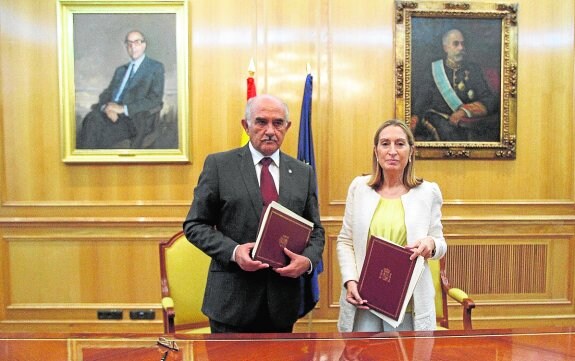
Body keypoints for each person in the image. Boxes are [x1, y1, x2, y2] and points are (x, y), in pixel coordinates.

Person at [183, 94, 325, 333]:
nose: (270, 130)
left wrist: (308, 261)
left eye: (278, 123)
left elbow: (316, 230)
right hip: (231, 304)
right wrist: (234, 251)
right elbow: (195, 225)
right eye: (261, 122)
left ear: (287, 127)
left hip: (282, 305)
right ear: (246, 126)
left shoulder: (303, 173)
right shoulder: (220, 166)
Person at [337, 119, 447, 332]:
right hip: (365, 300)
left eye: (400, 144)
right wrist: (350, 281)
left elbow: (440, 244)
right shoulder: (359, 188)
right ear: (376, 151)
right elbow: (345, 241)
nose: (392, 151)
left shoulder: (428, 192)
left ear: (411, 151)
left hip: (407, 304)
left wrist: (430, 244)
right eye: (385, 143)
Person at [77, 30, 165, 149]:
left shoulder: (155, 67)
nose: (132, 47)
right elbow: (106, 94)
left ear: (144, 45)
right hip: (110, 115)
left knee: (99, 134)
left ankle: (91, 163)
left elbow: (155, 99)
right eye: (129, 43)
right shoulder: (121, 70)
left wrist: (122, 109)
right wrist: (107, 108)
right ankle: (86, 163)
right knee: (90, 119)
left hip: (134, 119)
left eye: (137, 42)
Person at [411, 28, 499, 142]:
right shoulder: (434, 69)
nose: (461, 48)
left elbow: (488, 98)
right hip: (439, 117)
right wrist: (415, 117)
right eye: (456, 44)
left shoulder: (473, 69)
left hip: (467, 119)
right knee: (449, 133)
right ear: (446, 48)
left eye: (462, 44)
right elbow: (422, 99)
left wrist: (465, 111)